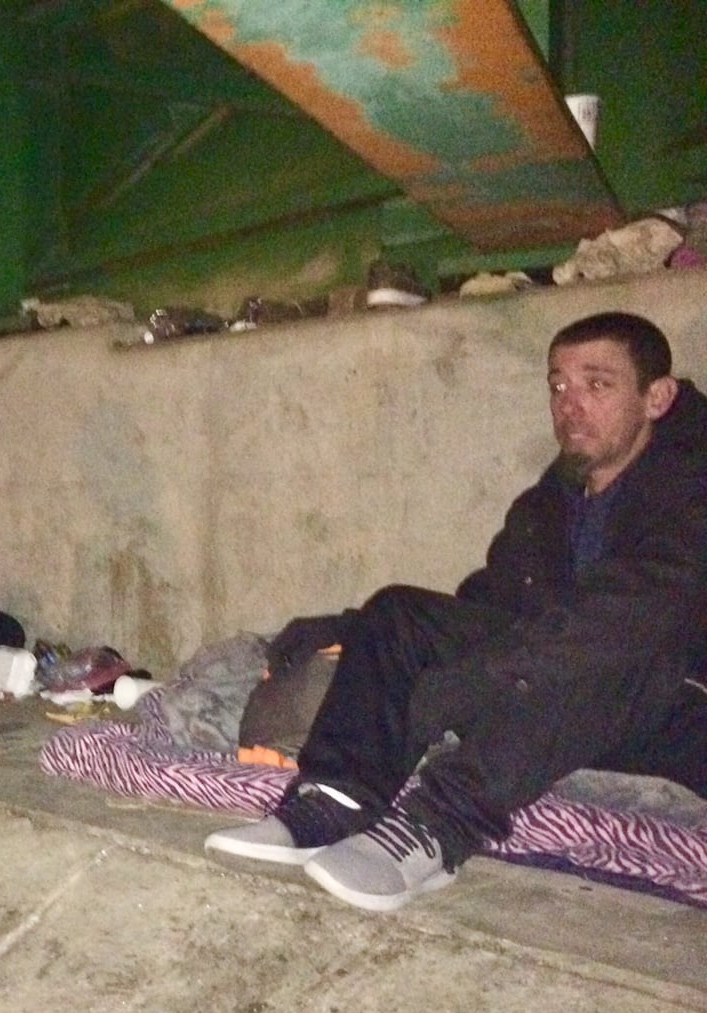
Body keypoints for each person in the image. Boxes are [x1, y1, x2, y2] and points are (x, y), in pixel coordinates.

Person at [205, 311, 707, 912]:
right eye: (558, 386)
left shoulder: (691, 487)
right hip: (555, 691)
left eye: (597, 385)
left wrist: (508, 666)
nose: (570, 405)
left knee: (597, 651)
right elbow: (490, 607)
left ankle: (436, 829)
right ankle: (333, 801)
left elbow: (650, 607)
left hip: (672, 707)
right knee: (399, 614)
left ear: (657, 397)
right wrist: (358, 630)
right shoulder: (549, 504)